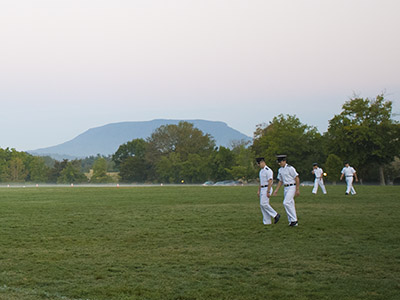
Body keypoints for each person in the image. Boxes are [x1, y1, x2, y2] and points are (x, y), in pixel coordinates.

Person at [272, 155, 299, 227]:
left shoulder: (290, 168)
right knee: (291, 204)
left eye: (280, 162)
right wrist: (276, 190)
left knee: (286, 203)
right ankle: (292, 221)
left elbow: (296, 178)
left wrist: (297, 189)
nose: (279, 163)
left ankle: (294, 220)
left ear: (284, 161)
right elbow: (280, 181)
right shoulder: (280, 170)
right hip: (286, 187)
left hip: (292, 186)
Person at [256, 157, 280, 225]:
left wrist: (268, 191)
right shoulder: (261, 171)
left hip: (267, 188)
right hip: (263, 188)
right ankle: (267, 222)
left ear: (262, 162)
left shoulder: (268, 170)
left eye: (259, 164)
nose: (258, 165)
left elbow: (270, 181)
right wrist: (259, 190)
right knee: (262, 205)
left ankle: (275, 215)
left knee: (264, 204)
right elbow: (261, 182)